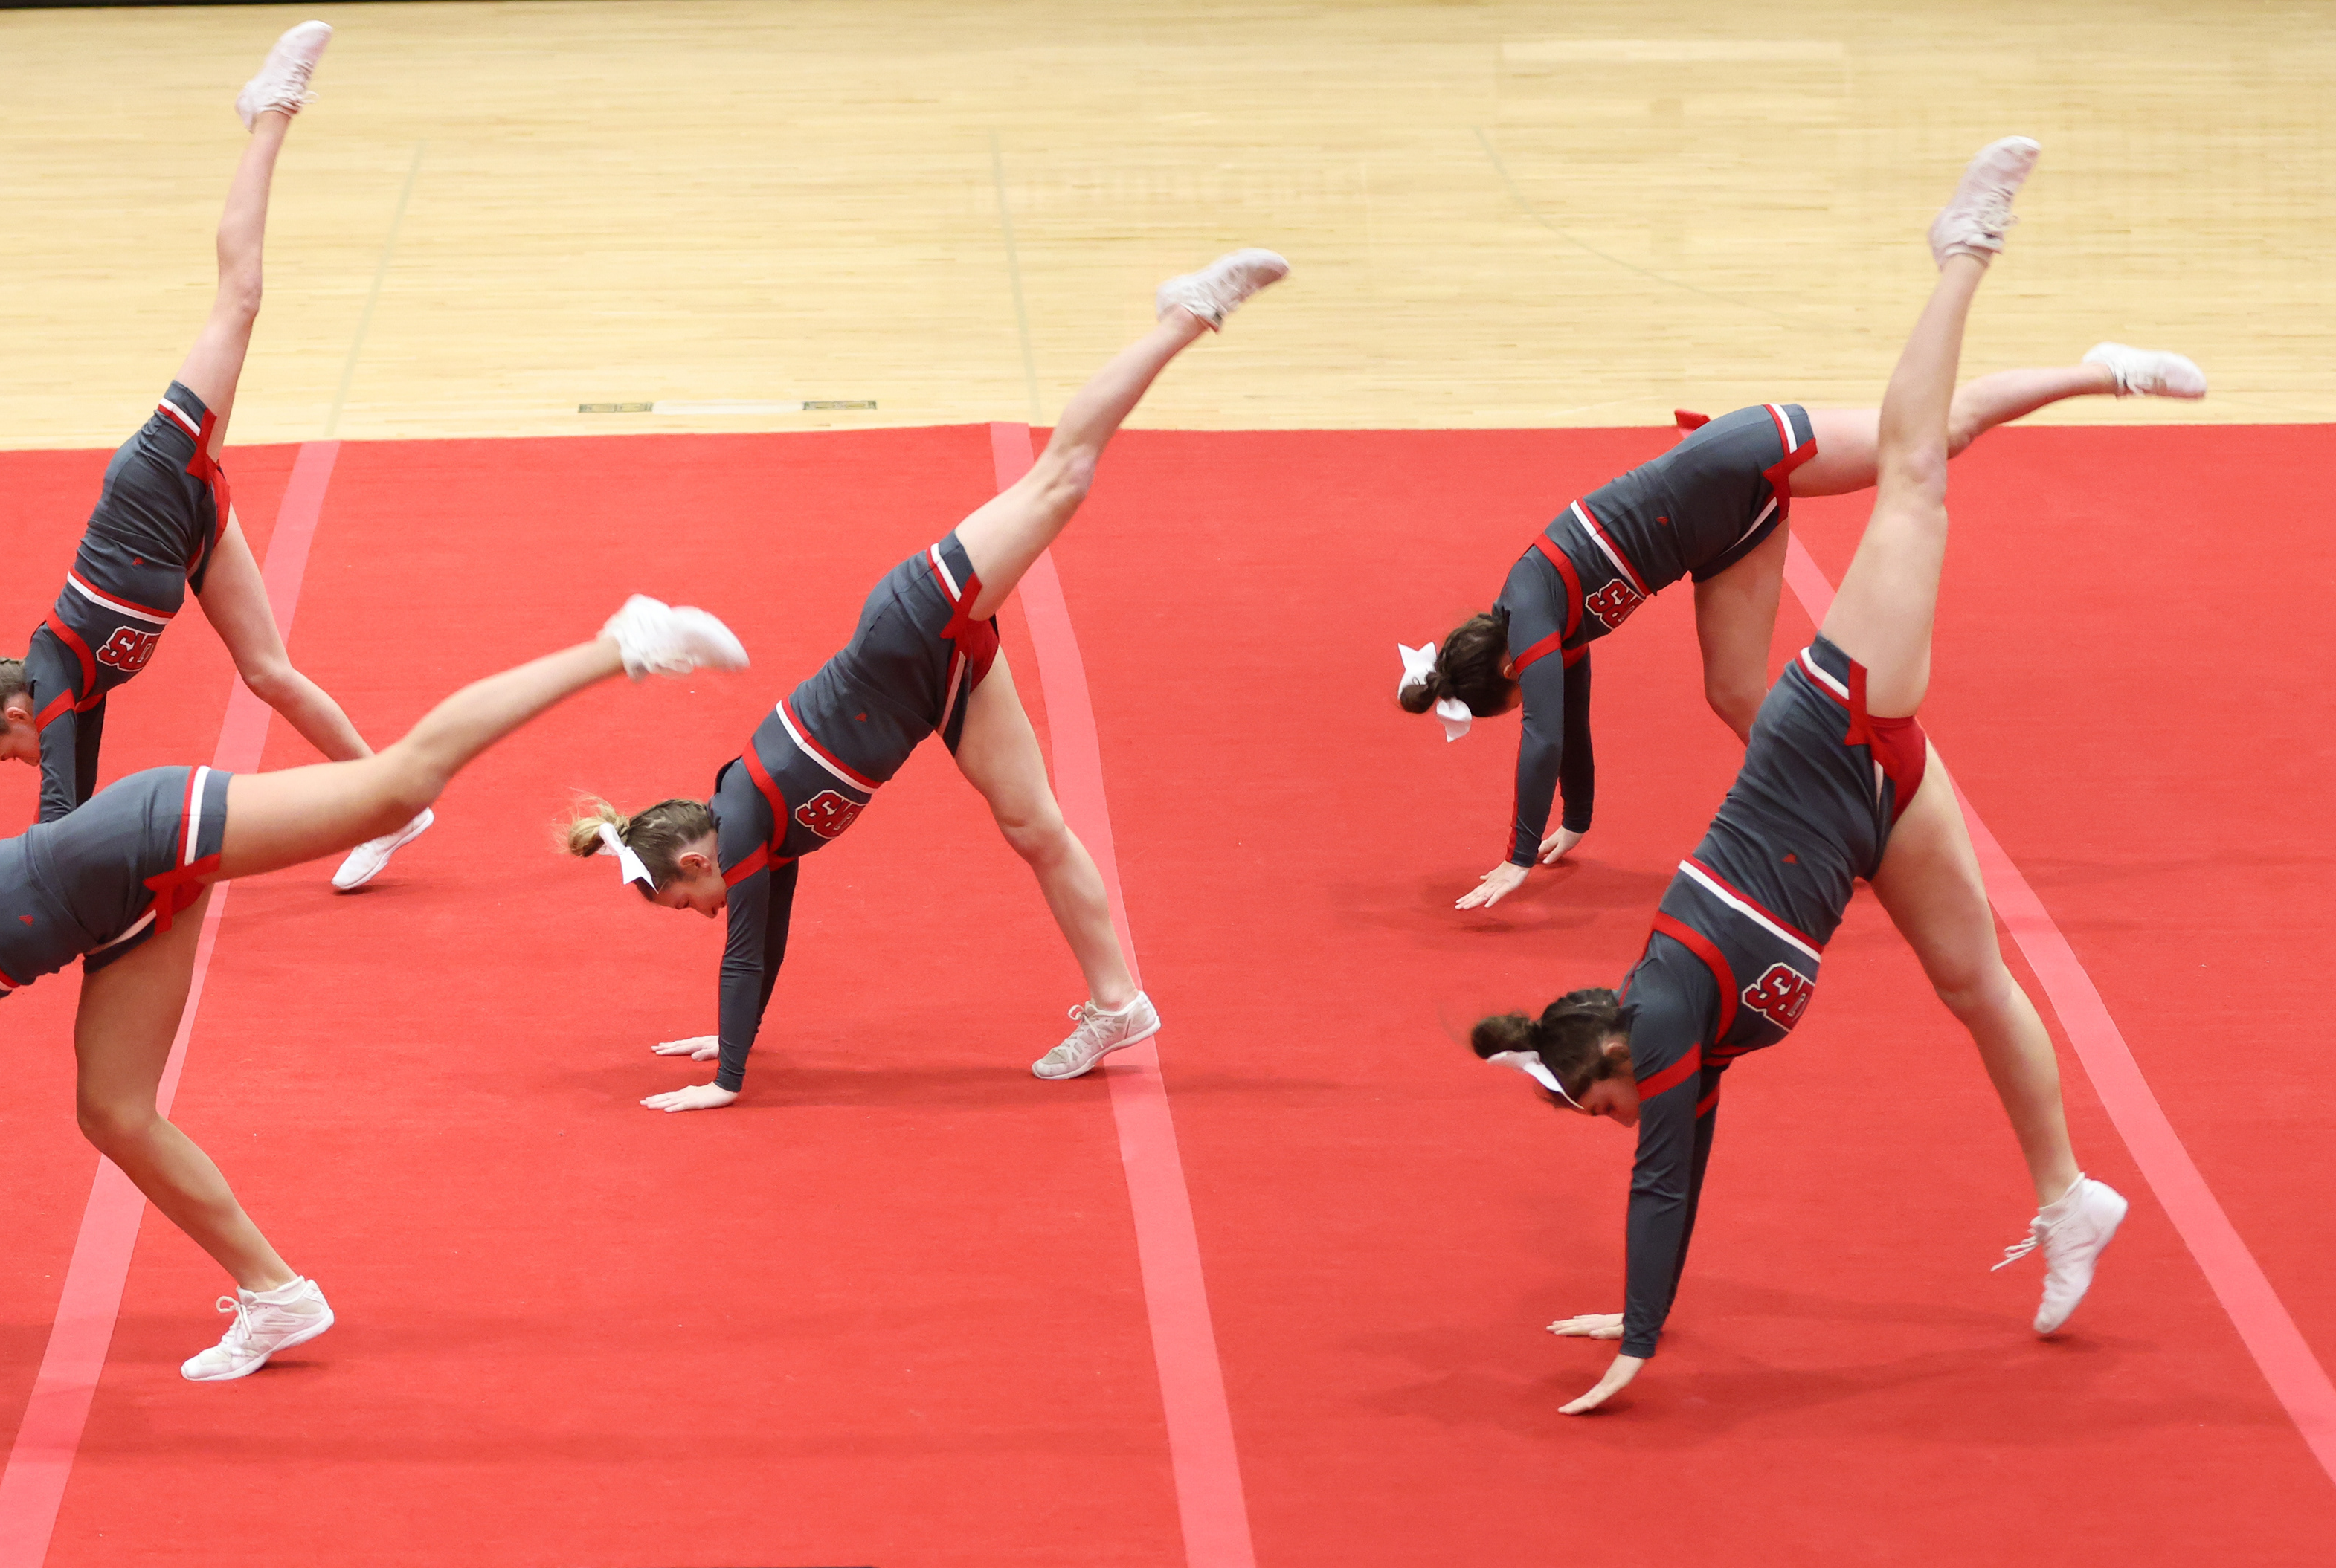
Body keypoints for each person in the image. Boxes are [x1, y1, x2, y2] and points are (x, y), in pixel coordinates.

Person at [0, 596, 747, 1380]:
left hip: (130, 841)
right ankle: (278, 1297)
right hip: (118, 911)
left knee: (394, 785)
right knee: (112, 1111)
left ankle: (620, 645)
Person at [1464, 138, 2128, 1416]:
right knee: (1977, 984)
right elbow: (1687, 1157)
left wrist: (1634, 1348)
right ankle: (2071, 1200)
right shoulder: (1683, 1045)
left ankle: (1964, 252)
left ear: (1618, 1053)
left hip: (1832, 724)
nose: (1620, 1121)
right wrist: (1640, 1309)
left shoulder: (1666, 1019)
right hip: (1874, 806)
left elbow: (1660, 1180)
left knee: (1916, 473)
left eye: (1601, 1106)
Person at [559, 251, 1288, 1112]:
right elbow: (768, 936)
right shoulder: (751, 837)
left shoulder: (746, 822)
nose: (705, 915)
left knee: (1062, 476)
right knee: (1035, 827)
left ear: (694, 860)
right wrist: (734, 1034)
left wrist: (726, 1082)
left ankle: (1186, 315)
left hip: (909, 625)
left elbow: (743, 954)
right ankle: (1118, 1004)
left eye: (689, 903)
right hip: (940, 688)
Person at [1404, 334, 2202, 912]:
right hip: (1719, 540)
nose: (1527, 698)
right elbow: (1570, 721)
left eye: (1511, 699)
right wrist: (1575, 821)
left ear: (1506, 671)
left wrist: (1515, 858)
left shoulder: (1533, 611)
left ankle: (2106, 371)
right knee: (1733, 691)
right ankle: (1845, 812)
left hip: (1739, 459)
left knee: (1936, 435)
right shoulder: (1538, 630)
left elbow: (1544, 732)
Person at [0, 22, 434, 892]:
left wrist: (0, 901)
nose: (20, 762)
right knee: (268, 673)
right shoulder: (72, 696)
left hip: (152, 490)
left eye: (7, 751)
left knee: (241, 298)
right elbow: (75, 811)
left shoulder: (53, 674)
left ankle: (270, 110)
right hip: (186, 534)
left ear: (16, 712)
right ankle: (397, 806)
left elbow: (53, 818)